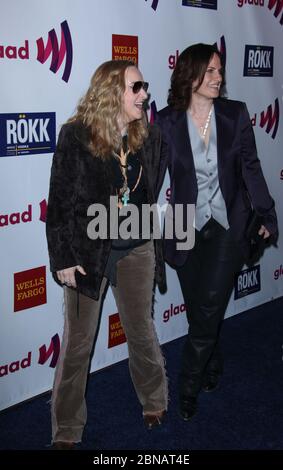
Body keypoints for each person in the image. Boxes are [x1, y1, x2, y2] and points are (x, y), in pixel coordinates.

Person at [46, 60, 168, 449]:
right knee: (79, 343)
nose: (144, 94)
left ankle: (155, 399)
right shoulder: (75, 136)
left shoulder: (146, 137)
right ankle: (66, 428)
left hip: (136, 250)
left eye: (144, 87)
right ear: (112, 91)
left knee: (141, 331)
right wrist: (62, 258)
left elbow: (146, 192)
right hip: (87, 254)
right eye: (137, 87)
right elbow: (60, 204)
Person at [156, 43, 278, 421]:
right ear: (190, 74)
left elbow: (251, 169)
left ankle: (187, 386)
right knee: (200, 311)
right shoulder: (165, 121)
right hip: (184, 226)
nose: (219, 77)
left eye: (220, 70)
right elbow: (152, 178)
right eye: (210, 71)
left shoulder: (234, 114)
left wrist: (268, 216)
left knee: (208, 307)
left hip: (229, 225)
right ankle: (212, 363)